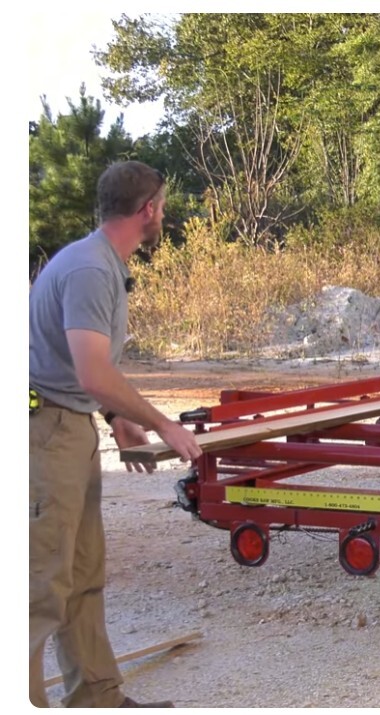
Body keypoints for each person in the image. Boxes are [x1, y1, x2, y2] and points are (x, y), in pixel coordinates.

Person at [29, 160, 203, 708]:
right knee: (40, 586)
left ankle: (97, 698)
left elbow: (75, 368)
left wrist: (113, 418)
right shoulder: (90, 269)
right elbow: (92, 372)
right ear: (149, 208)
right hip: (43, 432)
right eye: (163, 205)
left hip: (69, 424)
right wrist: (162, 423)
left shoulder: (98, 261)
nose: (163, 214)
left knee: (81, 574)